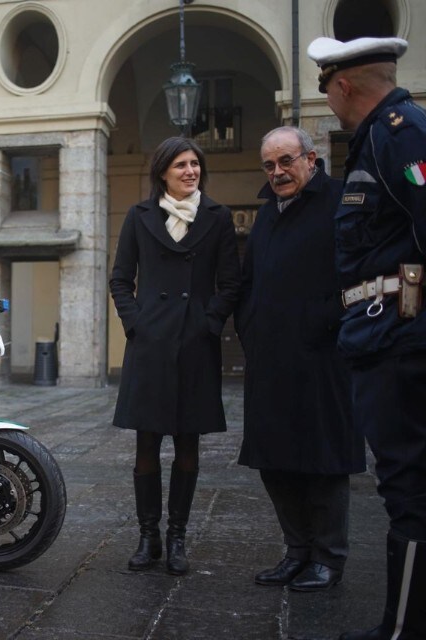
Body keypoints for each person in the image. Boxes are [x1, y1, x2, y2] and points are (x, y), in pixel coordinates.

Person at [306, 35, 426, 640]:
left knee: (408, 489)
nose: (328, 99)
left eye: (326, 87)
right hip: (385, 337)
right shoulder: (380, 137)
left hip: (401, 340)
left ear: (343, 84)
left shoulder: (400, 134)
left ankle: (401, 629)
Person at [235, 126, 365, 592]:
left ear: (311, 159)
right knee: (275, 460)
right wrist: (249, 327)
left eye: (286, 161)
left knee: (322, 460)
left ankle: (327, 558)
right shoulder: (267, 213)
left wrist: (321, 321)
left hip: (322, 356)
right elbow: (250, 280)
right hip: (269, 357)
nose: (277, 172)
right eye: (269, 165)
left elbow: (358, 273)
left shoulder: (339, 201)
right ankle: (296, 551)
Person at [109, 136, 241, 575]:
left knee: (188, 445)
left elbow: (231, 283)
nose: (190, 171)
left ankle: (177, 537)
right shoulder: (139, 216)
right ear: (163, 172)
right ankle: (148, 537)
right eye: (181, 164)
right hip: (150, 345)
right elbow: (120, 279)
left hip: (195, 346)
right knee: (146, 444)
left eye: (195, 164)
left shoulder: (218, 217)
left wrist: (209, 322)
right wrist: (136, 324)